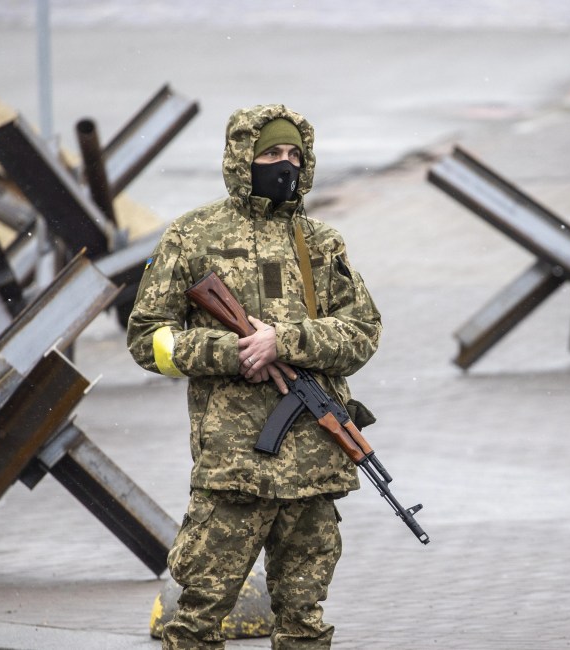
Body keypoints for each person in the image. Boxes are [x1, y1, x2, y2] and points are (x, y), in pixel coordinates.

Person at [126, 104, 382, 649]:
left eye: (294, 154)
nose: (283, 164)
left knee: (304, 628)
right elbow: (147, 338)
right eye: (270, 153)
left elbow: (363, 332)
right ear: (243, 159)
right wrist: (233, 349)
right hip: (233, 468)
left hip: (313, 467)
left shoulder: (320, 242)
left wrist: (285, 341)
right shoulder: (191, 236)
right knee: (195, 623)